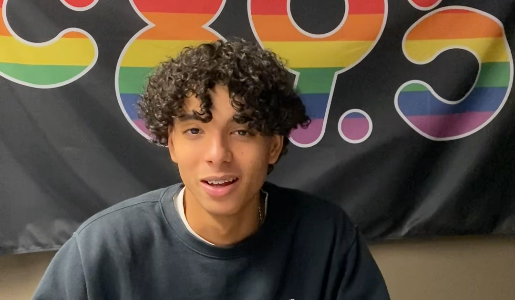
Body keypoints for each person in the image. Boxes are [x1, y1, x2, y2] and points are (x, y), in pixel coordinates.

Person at [32, 39, 390, 300]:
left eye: (242, 132)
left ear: (274, 146)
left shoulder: (327, 237)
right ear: (170, 143)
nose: (217, 155)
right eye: (194, 131)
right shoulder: (101, 249)